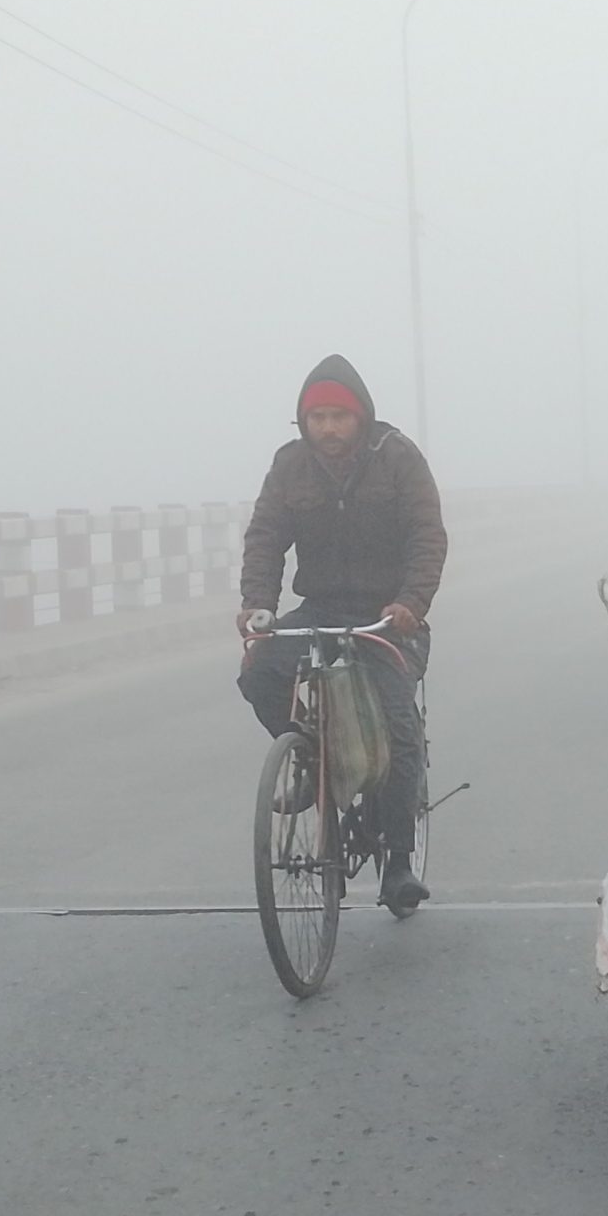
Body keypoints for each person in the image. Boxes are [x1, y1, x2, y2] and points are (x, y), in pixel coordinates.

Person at [238, 354, 448, 917]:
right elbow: (265, 537)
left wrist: (410, 603)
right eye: (317, 417)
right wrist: (257, 605)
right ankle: (309, 755)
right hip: (321, 608)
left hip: (388, 617)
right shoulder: (290, 466)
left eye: (339, 416)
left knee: (398, 729)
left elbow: (428, 536)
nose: (328, 428)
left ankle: (398, 861)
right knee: (259, 671)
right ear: (303, 422)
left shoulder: (397, 458)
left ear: (360, 417)